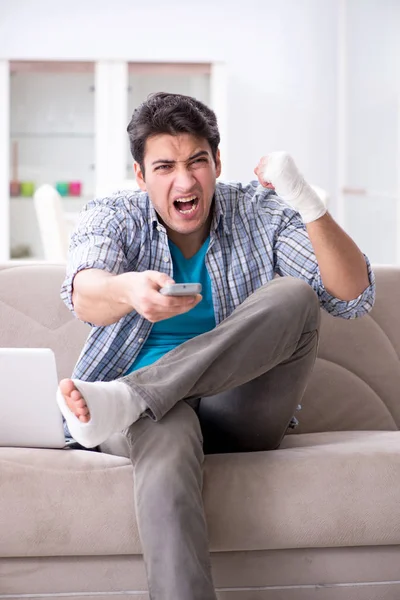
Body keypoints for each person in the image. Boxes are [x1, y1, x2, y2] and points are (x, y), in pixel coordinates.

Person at [57, 92, 375, 600]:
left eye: (197, 162)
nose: (184, 182)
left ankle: (132, 395)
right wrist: (129, 290)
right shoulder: (116, 214)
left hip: (239, 407)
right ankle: (142, 400)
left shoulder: (260, 211)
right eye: (164, 167)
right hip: (158, 421)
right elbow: (83, 291)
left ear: (217, 162)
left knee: (295, 295)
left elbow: (353, 297)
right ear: (140, 177)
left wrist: (308, 205)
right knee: (165, 419)